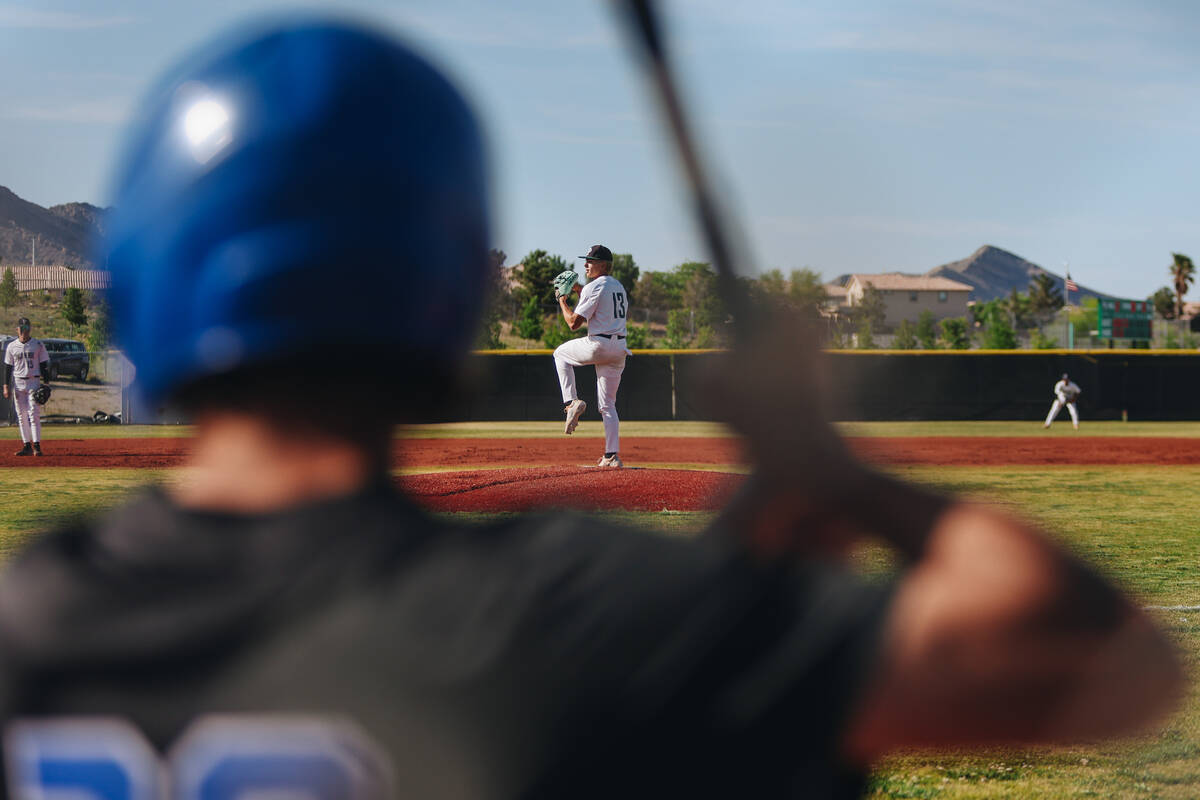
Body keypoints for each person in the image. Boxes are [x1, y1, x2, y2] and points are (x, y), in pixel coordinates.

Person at [0, 18, 1180, 800]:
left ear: (150, 278)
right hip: (620, 369)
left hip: (593, 344)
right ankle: (599, 426)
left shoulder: (24, 623)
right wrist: (833, 472)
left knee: (583, 370)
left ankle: (588, 413)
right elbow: (1101, 659)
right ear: (448, 293)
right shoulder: (577, 614)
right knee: (602, 391)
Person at [553, 244, 630, 467]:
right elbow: (600, 303)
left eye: (591, 261)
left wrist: (562, 300)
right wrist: (579, 290)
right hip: (619, 349)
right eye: (585, 260)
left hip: (599, 344)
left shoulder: (594, 286)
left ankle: (570, 402)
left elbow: (573, 323)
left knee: (560, 354)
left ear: (604, 265)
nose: (586, 264)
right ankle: (611, 456)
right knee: (608, 405)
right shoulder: (618, 286)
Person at [2, 317, 49, 456]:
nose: (24, 331)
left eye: (26, 328)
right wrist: (5, 386)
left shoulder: (38, 345)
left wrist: (47, 383)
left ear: (30, 329)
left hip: (33, 382)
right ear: (17, 330)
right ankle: (27, 445)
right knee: (21, 416)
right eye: (21, 329)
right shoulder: (11, 346)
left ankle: (37, 446)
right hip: (18, 383)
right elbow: (7, 367)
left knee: (33, 414)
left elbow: (44, 365)